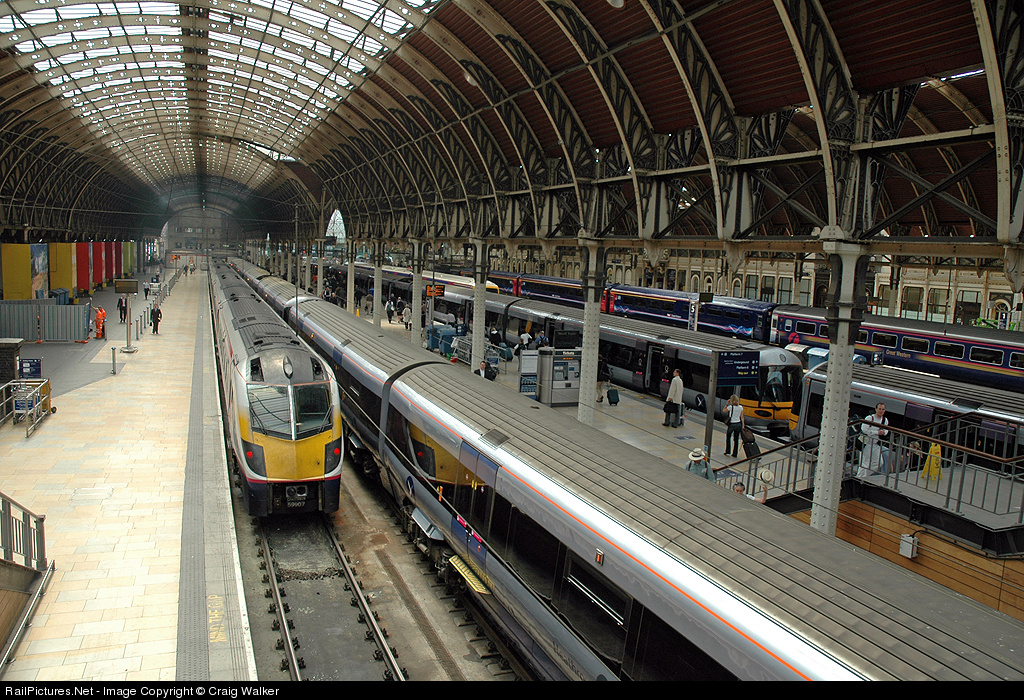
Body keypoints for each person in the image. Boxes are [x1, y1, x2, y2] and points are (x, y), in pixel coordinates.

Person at [857, 403, 889, 477]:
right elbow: (864, 429)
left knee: (879, 463)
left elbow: (886, 430)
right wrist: (877, 432)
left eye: (883, 409)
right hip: (866, 443)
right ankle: (860, 476)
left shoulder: (885, 420)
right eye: (879, 409)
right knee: (864, 462)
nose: (881, 411)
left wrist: (883, 432)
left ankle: (864, 475)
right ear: (876, 409)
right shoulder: (870, 418)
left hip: (876, 443)